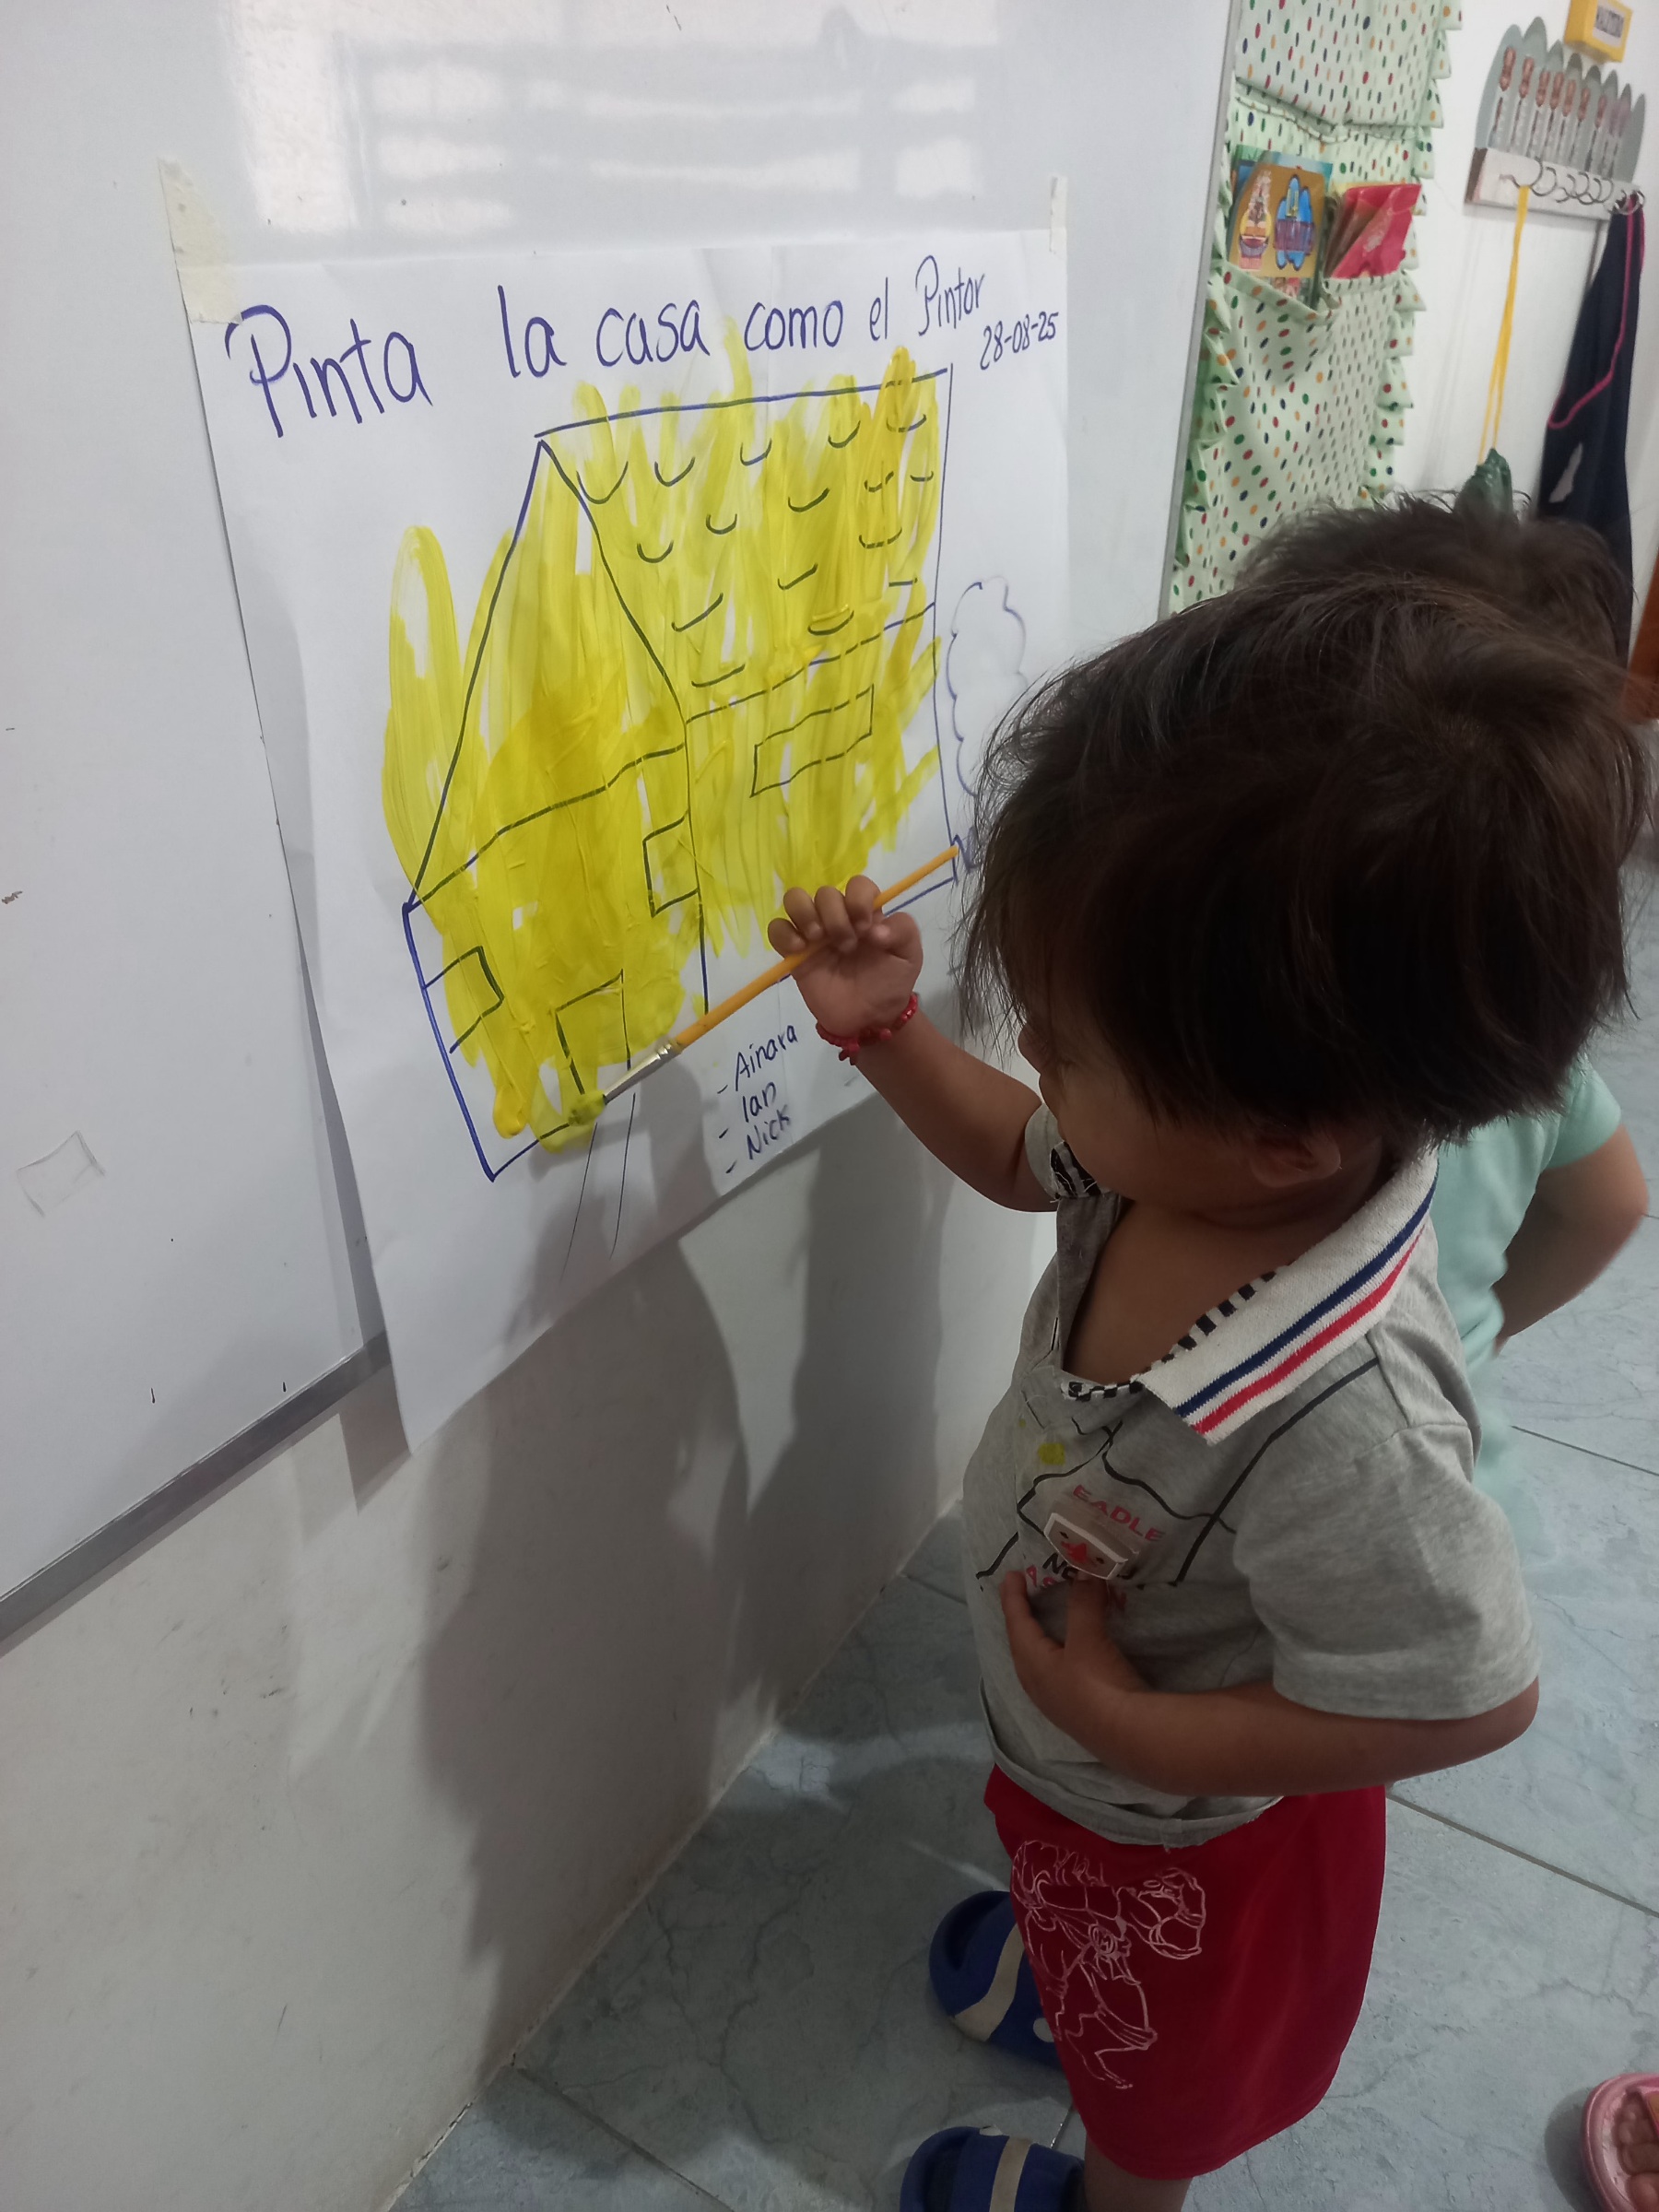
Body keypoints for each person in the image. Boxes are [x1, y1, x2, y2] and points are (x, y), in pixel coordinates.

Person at [770, 565, 1648, 2210]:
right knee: (1100, 1953)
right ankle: (1076, 1967)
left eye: (1064, 1040)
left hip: (1186, 1832)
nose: (1036, 1054)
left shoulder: (1348, 1412)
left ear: (1280, 1138)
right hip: (1087, 1774)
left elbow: (1473, 1694)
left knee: (1160, 2092)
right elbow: (1017, 1156)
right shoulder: (1192, 1168)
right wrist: (884, 1034)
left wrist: (1134, 1726)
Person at [1237, 496, 1651, 1526]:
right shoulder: (1519, 1029)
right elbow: (1611, 1204)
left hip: (1349, 1538)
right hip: (1452, 1475)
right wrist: (1467, 1330)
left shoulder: (1252, 1042)